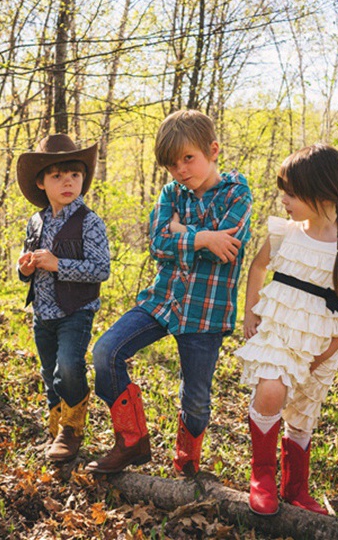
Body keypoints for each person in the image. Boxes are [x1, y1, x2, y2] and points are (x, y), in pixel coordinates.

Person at [85, 109, 253, 476]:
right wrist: (203, 237)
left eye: (188, 158)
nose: (181, 170)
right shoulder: (170, 193)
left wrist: (181, 231)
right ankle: (131, 441)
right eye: (172, 164)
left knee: (195, 399)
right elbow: (157, 244)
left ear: (213, 150)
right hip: (162, 301)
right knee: (106, 351)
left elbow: (226, 249)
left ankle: (186, 463)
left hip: (205, 313)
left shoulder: (237, 193)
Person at [234, 144, 338, 516]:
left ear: (324, 194)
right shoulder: (285, 233)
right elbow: (257, 267)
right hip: (279, 333)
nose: (283, 200)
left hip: (319, 345)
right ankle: (262, 476)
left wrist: (327, 351)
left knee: (301, 415)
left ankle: (295, 487)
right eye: (283, 191)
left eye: (292, 193)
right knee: (270, 389)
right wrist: (250, 313)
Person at [16, 134, 111, 463]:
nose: (67, 182)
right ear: (41, 182)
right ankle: (56, 424)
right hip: (42, 312)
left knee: (68, 367)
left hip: (76, 311)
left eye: (74, 175)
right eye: (57, 176)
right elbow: (26, 263)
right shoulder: (36, 221)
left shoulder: (89, 222)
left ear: (83, 179)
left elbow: (101, 269)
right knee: (48, 372)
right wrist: (25, 268)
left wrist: (59, 265)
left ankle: (72, 427)